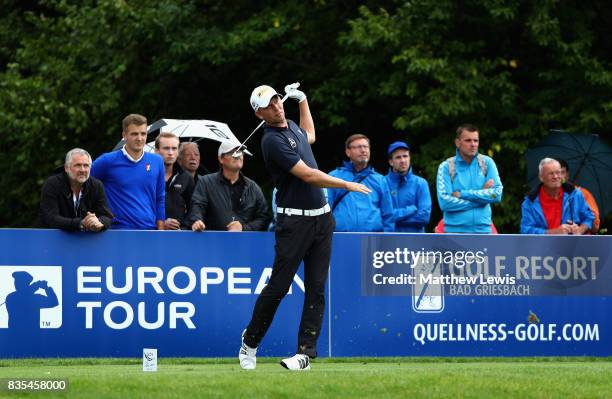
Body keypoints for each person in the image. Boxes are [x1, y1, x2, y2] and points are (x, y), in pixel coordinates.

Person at [239, 83, 370, 371]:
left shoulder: (292, 128)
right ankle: (250, 341)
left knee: (316, 288)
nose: (276, 106)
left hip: (322, 219)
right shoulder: (271, 141)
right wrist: (346, 184)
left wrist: (304, 101)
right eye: (269, 105)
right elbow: (309, 175)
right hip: (294, 222)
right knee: (279, 286)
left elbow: (310, 135)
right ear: (259, 114)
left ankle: (304, 354)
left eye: (277, 100)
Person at [91, 114, 165, 230]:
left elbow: (160, 198)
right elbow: (84, 185)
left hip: (150, 231)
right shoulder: (107, 161)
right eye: (134, 134)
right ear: (124, 135)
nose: (140, 138)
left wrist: (161, 232)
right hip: (117, 232)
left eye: (143, 134)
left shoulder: (157, 161)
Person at [187, 141, 269, 231]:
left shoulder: (254, 187)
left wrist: (243, 228)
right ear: (221, 159)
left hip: (245, 243)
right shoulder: (205, 182)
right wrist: (197, 220)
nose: (238, 155)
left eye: (240, 152)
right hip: (213, 242)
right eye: (233, 152)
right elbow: (197, 206)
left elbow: (263, 218)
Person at [436, 124, 503, 233]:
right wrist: (481, 197)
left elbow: (497, 194)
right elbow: (445, 203)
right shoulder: (446, 166)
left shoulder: (487, 162)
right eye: (468, 140)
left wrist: (464, 194)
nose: (473, 144)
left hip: (484, 232)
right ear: (457, 143)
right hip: (454, 233)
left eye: (476, 141)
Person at [327, 134, 394, 232]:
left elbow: (388, 215)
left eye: (366, 147)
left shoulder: (380, 180)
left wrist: (388, 239)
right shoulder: (333, 177)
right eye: (358, 147)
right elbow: (325, 210)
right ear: (348, 152)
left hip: (372, 239)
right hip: (341, 238)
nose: (363, 150)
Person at [39, 148, 113, 231]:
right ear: (66, 168)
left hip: (85, 240)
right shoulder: (52, 184)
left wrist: (98, 222)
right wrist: (80, 223)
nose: (82, 170)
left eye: (86, 165)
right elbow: (50, 218)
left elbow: (107, 216)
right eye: (78, 165)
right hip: (52, 239)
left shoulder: (96, 185)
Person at [520, 158, 594, 234]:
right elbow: (525, 230)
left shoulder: (575, 194)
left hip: (571, 244)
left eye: (558, 173)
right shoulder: (530, 202)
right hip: (543, 245)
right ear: (541, 177)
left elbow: (589, 217)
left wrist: (579, 230)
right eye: (551, 173)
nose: (555, 176)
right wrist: (554, 232)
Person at [385, 141, 431, 232]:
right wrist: (410, 210)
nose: (402, 160)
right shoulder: (381, 183)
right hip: (388, 241)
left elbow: (424, 217)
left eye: (405, 156)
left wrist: (393, 219)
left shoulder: (421, 183)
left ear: (409, 158)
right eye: (398, 157)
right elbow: (381, 216)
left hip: (415, 242)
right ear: (391, 162)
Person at [155, 132, 194, 230]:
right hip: (151, 234)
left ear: (178, 152)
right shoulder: (147, 176)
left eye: (174, 148)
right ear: (156, 151)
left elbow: (193, 209)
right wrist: (160, 223)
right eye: (166, 148)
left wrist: (182, 225)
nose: (171, 153)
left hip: (179, 236)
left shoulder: (187, 178)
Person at [556, 158, 600, 234]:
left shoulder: (583, 194)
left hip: (581, 242)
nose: (558, 177)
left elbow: (595, 227)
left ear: (567, 175)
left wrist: (579, 229)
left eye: (562, 172)